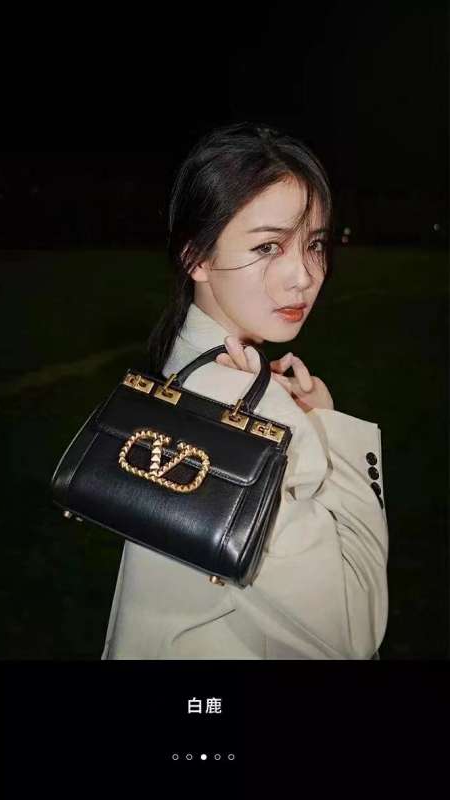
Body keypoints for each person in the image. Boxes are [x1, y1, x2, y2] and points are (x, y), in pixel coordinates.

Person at [101, 122, 389, 660]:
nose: (303, 276)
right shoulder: (244, 413)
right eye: (268, 246)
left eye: (315, 244)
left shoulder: (185, 367)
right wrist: (332, 436)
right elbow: (355, 628)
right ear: (197, 257)